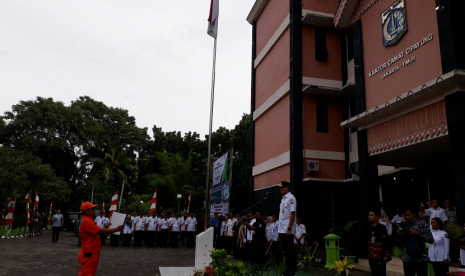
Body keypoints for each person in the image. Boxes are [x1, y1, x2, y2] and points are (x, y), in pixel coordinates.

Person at [78, 202, 123, 276]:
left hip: (91, 250)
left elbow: (95, 231)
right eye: (92, 209)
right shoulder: (87, 221)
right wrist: (116, 229)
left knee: (89, 271)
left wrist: (105, 227)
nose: (94, 211)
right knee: (87, 272)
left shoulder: (87, 219)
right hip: (90, 251)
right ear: (86, 211)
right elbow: (99, 231)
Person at [398, 206, 434, 276]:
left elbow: (431, 239)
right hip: (407, 258)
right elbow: (399, 242)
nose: (406, 217)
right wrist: (399, 235)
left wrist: (418, 234)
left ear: (414, 214)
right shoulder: (402, 225)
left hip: (421, 258)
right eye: (404, 215)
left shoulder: (422, 224)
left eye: (408, 215)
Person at [278, 181, 297, 276]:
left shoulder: (291, 198)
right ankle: (288, 269)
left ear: (287, 188)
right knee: (285, 251)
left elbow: (292, 214)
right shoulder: (283, 199)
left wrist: (289, 228)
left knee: (290, 251)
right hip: (282, 229)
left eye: (281, 187)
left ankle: (292, 270)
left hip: (287, 229)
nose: (280, 189)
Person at [368, 209, 392, 276]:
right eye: (369, 215)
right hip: (371, 255)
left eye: (371, 215)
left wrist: (387, 254)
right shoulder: (369, 227)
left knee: (381, 273)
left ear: (377, 217)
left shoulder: (381, 227)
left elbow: (386, 241)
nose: (369, 216)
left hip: (380, 255)